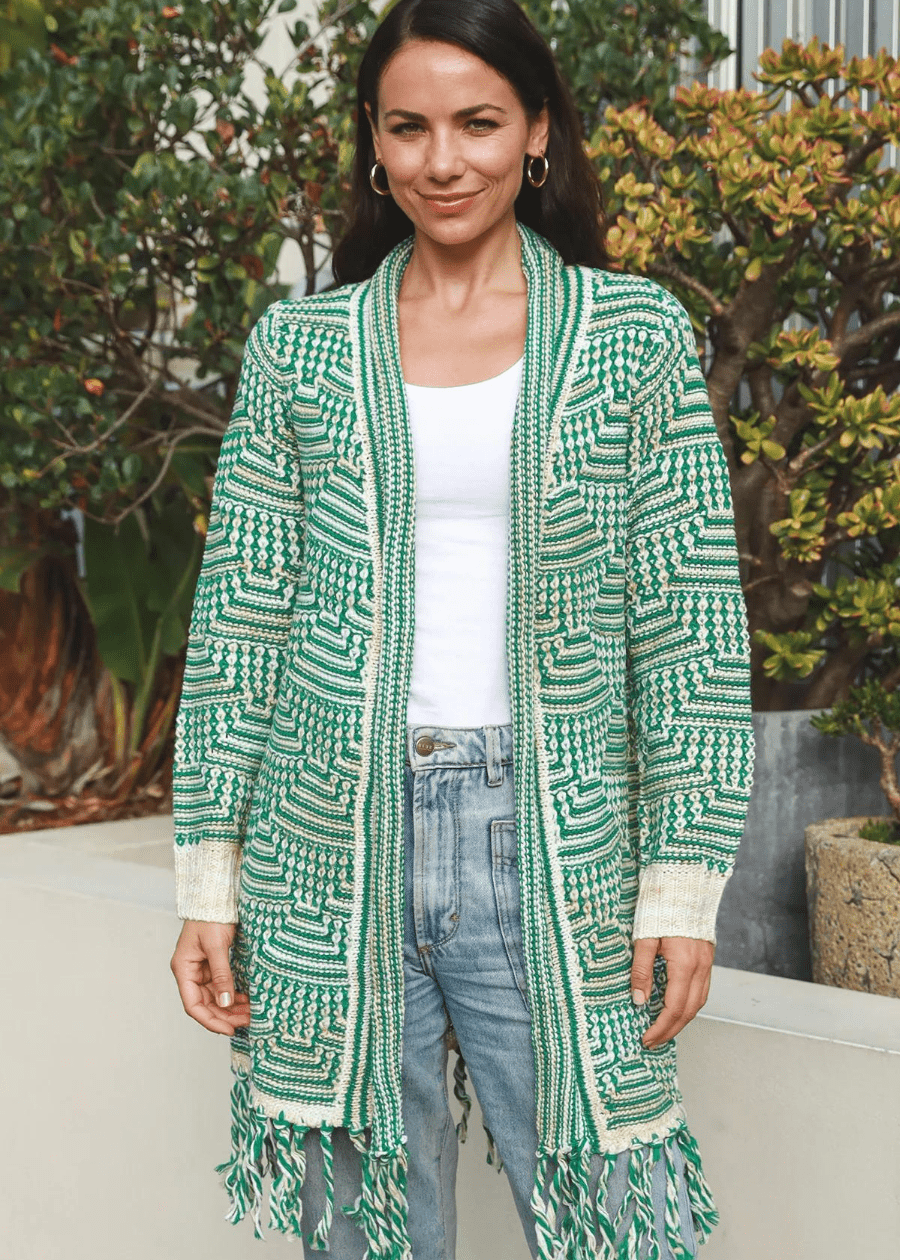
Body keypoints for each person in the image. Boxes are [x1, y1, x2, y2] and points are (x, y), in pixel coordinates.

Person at [168, 2, 755, 1257]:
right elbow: (241, 626)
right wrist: (209, 881)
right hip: (329, 837)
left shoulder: (631, 341)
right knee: (368, 1231)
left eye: (480, 123)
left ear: (537, 131)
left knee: (613, 1222)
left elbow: (689, 622)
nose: (446, 160)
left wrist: (684, 884)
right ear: (375, 148)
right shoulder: (303, 350)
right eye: (411, 127)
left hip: (552, 833)